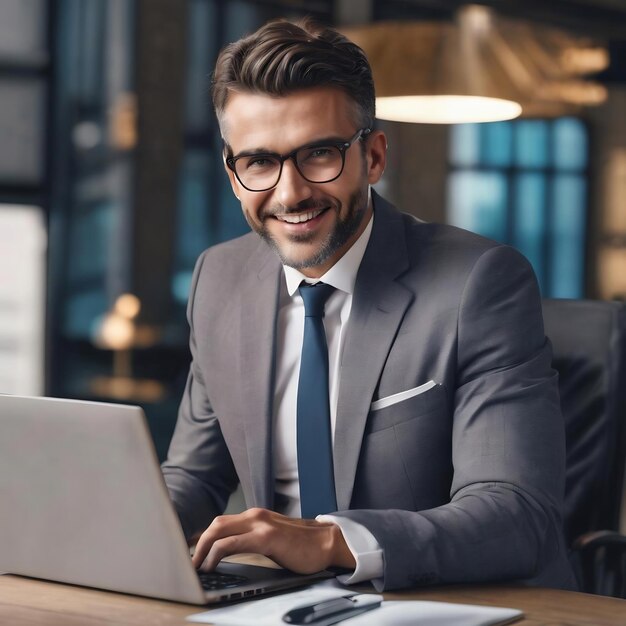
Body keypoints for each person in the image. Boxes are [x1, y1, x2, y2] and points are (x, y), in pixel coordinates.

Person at [162, 18, 576, 591]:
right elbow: (191, 478)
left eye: (320, 154)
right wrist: (106, 531)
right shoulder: (219, 279)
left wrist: (331, 541)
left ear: (374, 156)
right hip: (277, 603)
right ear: (234, 174)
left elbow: (516, 514)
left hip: (453, 604)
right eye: (260, 162)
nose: (290, 193)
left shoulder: (479, 284)